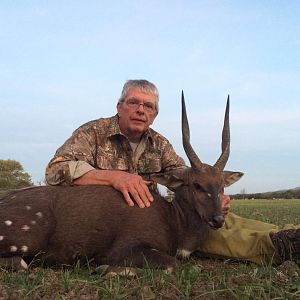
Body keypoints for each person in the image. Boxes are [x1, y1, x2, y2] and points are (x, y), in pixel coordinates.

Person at [45, 79, 300, 265]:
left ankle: (285, 231)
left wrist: (212, 190)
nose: (141, 110)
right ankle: (277, 247)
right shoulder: (93, 132)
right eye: (133, 102)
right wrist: (114, 177)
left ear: (154, 114)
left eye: (148, 106)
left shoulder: (160, 144)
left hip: (150, 217)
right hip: (110, 224)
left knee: (212, 213)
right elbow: (56, 170)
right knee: (203, 235)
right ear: (119, 105)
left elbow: (184, 174)